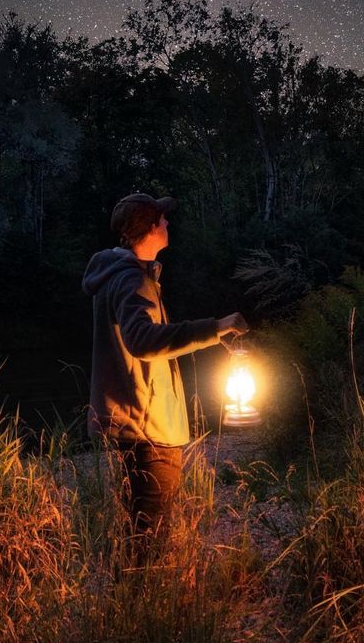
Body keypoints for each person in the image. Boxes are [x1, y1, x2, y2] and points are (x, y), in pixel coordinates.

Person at [82, 192, 248, 563]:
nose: (168, 224)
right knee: (148, 536)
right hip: (147, 429)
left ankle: (132, 603)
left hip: (132, 422)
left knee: (138, 528)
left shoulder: (124, 276)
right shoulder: (131, 280)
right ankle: (141, 607)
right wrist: (215, 328)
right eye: (162, 220)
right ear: (148, 228)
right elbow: (142, 341)